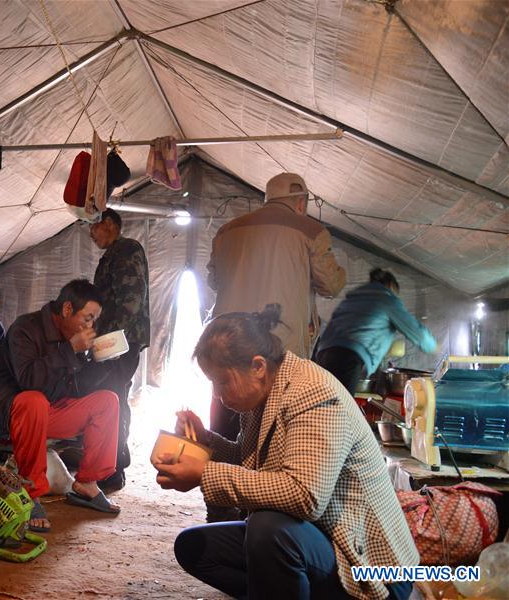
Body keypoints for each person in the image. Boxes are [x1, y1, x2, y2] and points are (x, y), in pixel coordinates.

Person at [154, 305, 418, 600]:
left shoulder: (313, 392)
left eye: (223, 381)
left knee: (268, 529)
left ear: (257, 366)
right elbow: (246, 459)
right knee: (196, 548)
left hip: (370, 565)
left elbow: (305, 495)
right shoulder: (265, 393)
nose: (218, 394)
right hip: (321, 541)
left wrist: (205, 474)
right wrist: (203, 440)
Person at [206, 172, 345, 439]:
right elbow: (332, 284)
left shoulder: (227, 231)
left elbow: (214, 279)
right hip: (280, 347)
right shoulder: (311, 231)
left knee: (225, 419)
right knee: (272, 431)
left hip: (227, 343)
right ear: (300, 202)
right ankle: (262, 480)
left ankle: (219, 475)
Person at [0, 279, 121, 533]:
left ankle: (87, 483)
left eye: (94, 320)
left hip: (49, 409)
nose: (91, 326)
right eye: (88, 318)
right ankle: (29, 491)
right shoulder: (25, 328)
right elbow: (29, 380)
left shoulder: (73, 337)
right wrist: (70, 349)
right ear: (68, 309)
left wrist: (103, 361)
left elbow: (78, 389)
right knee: (33, 400)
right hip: (12, 410)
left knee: (107, 401)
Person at [88, 208, 150, 493]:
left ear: (109, 224)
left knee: (113, 400)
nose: (91, 234)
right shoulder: (114, 253)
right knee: (111, 399)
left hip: (119, 343)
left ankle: (113, 468)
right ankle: (110, 462)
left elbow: (130, 301)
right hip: (114, 340)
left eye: (94, 227)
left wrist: (111, 342)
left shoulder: (126, 250)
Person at [315, 268, 438, 396]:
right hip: (348, 357)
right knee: (341, 405)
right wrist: (434, 347)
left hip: (324, 353)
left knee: (324, 400)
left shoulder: (353, 299)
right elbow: (415, 330)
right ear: (390, 286)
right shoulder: (387, 299)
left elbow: (358, 328)